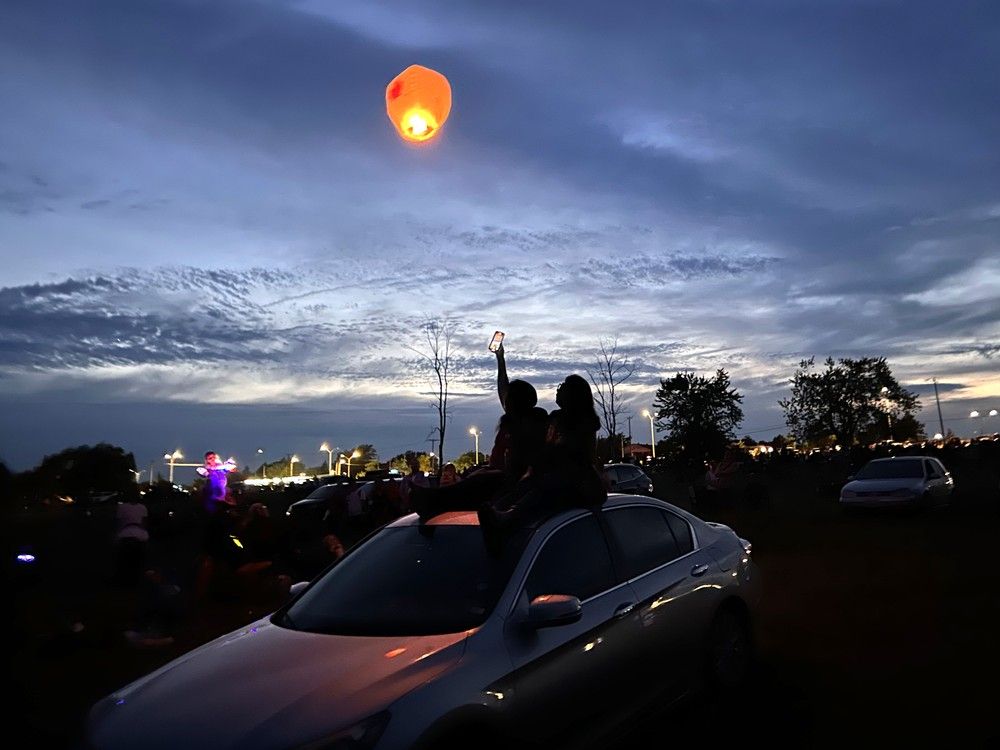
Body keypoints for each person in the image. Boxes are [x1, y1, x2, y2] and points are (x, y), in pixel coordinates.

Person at [113, 488, 149, 586]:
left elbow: (118, 523)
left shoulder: (122, 507)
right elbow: (144, 523)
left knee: (117, 553)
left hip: (125, 532)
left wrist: (116, 534)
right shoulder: (143, 507)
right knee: (145, 551)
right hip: (139, 533)